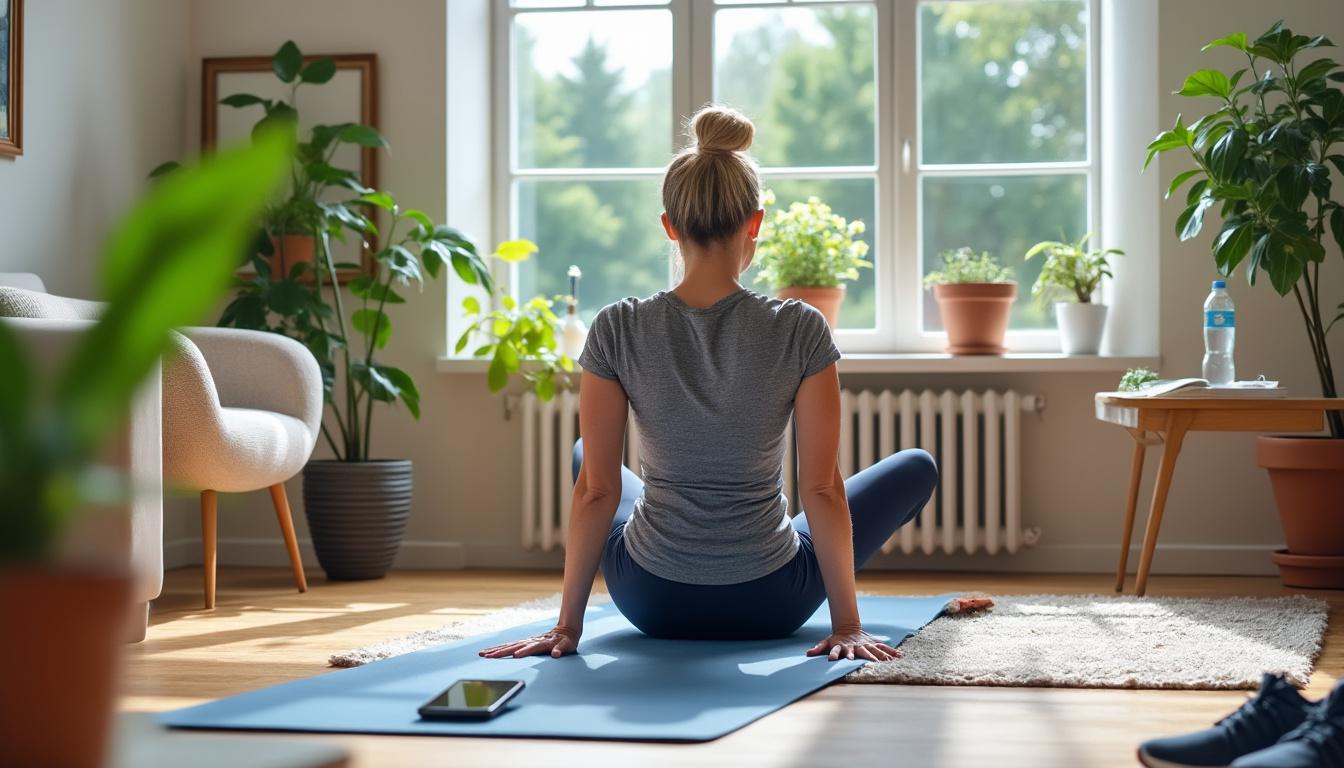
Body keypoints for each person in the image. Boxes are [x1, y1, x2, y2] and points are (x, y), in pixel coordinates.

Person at [480, 105, 940, 663]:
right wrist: (846, 626)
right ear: (756, 223)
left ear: (669, 226)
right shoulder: (800, 327)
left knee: (589, 459)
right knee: (916, 464)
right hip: (771, 601)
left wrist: (566, 628)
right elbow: (820, 489)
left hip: (651, 599)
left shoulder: (618, 326)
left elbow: (598, 492)